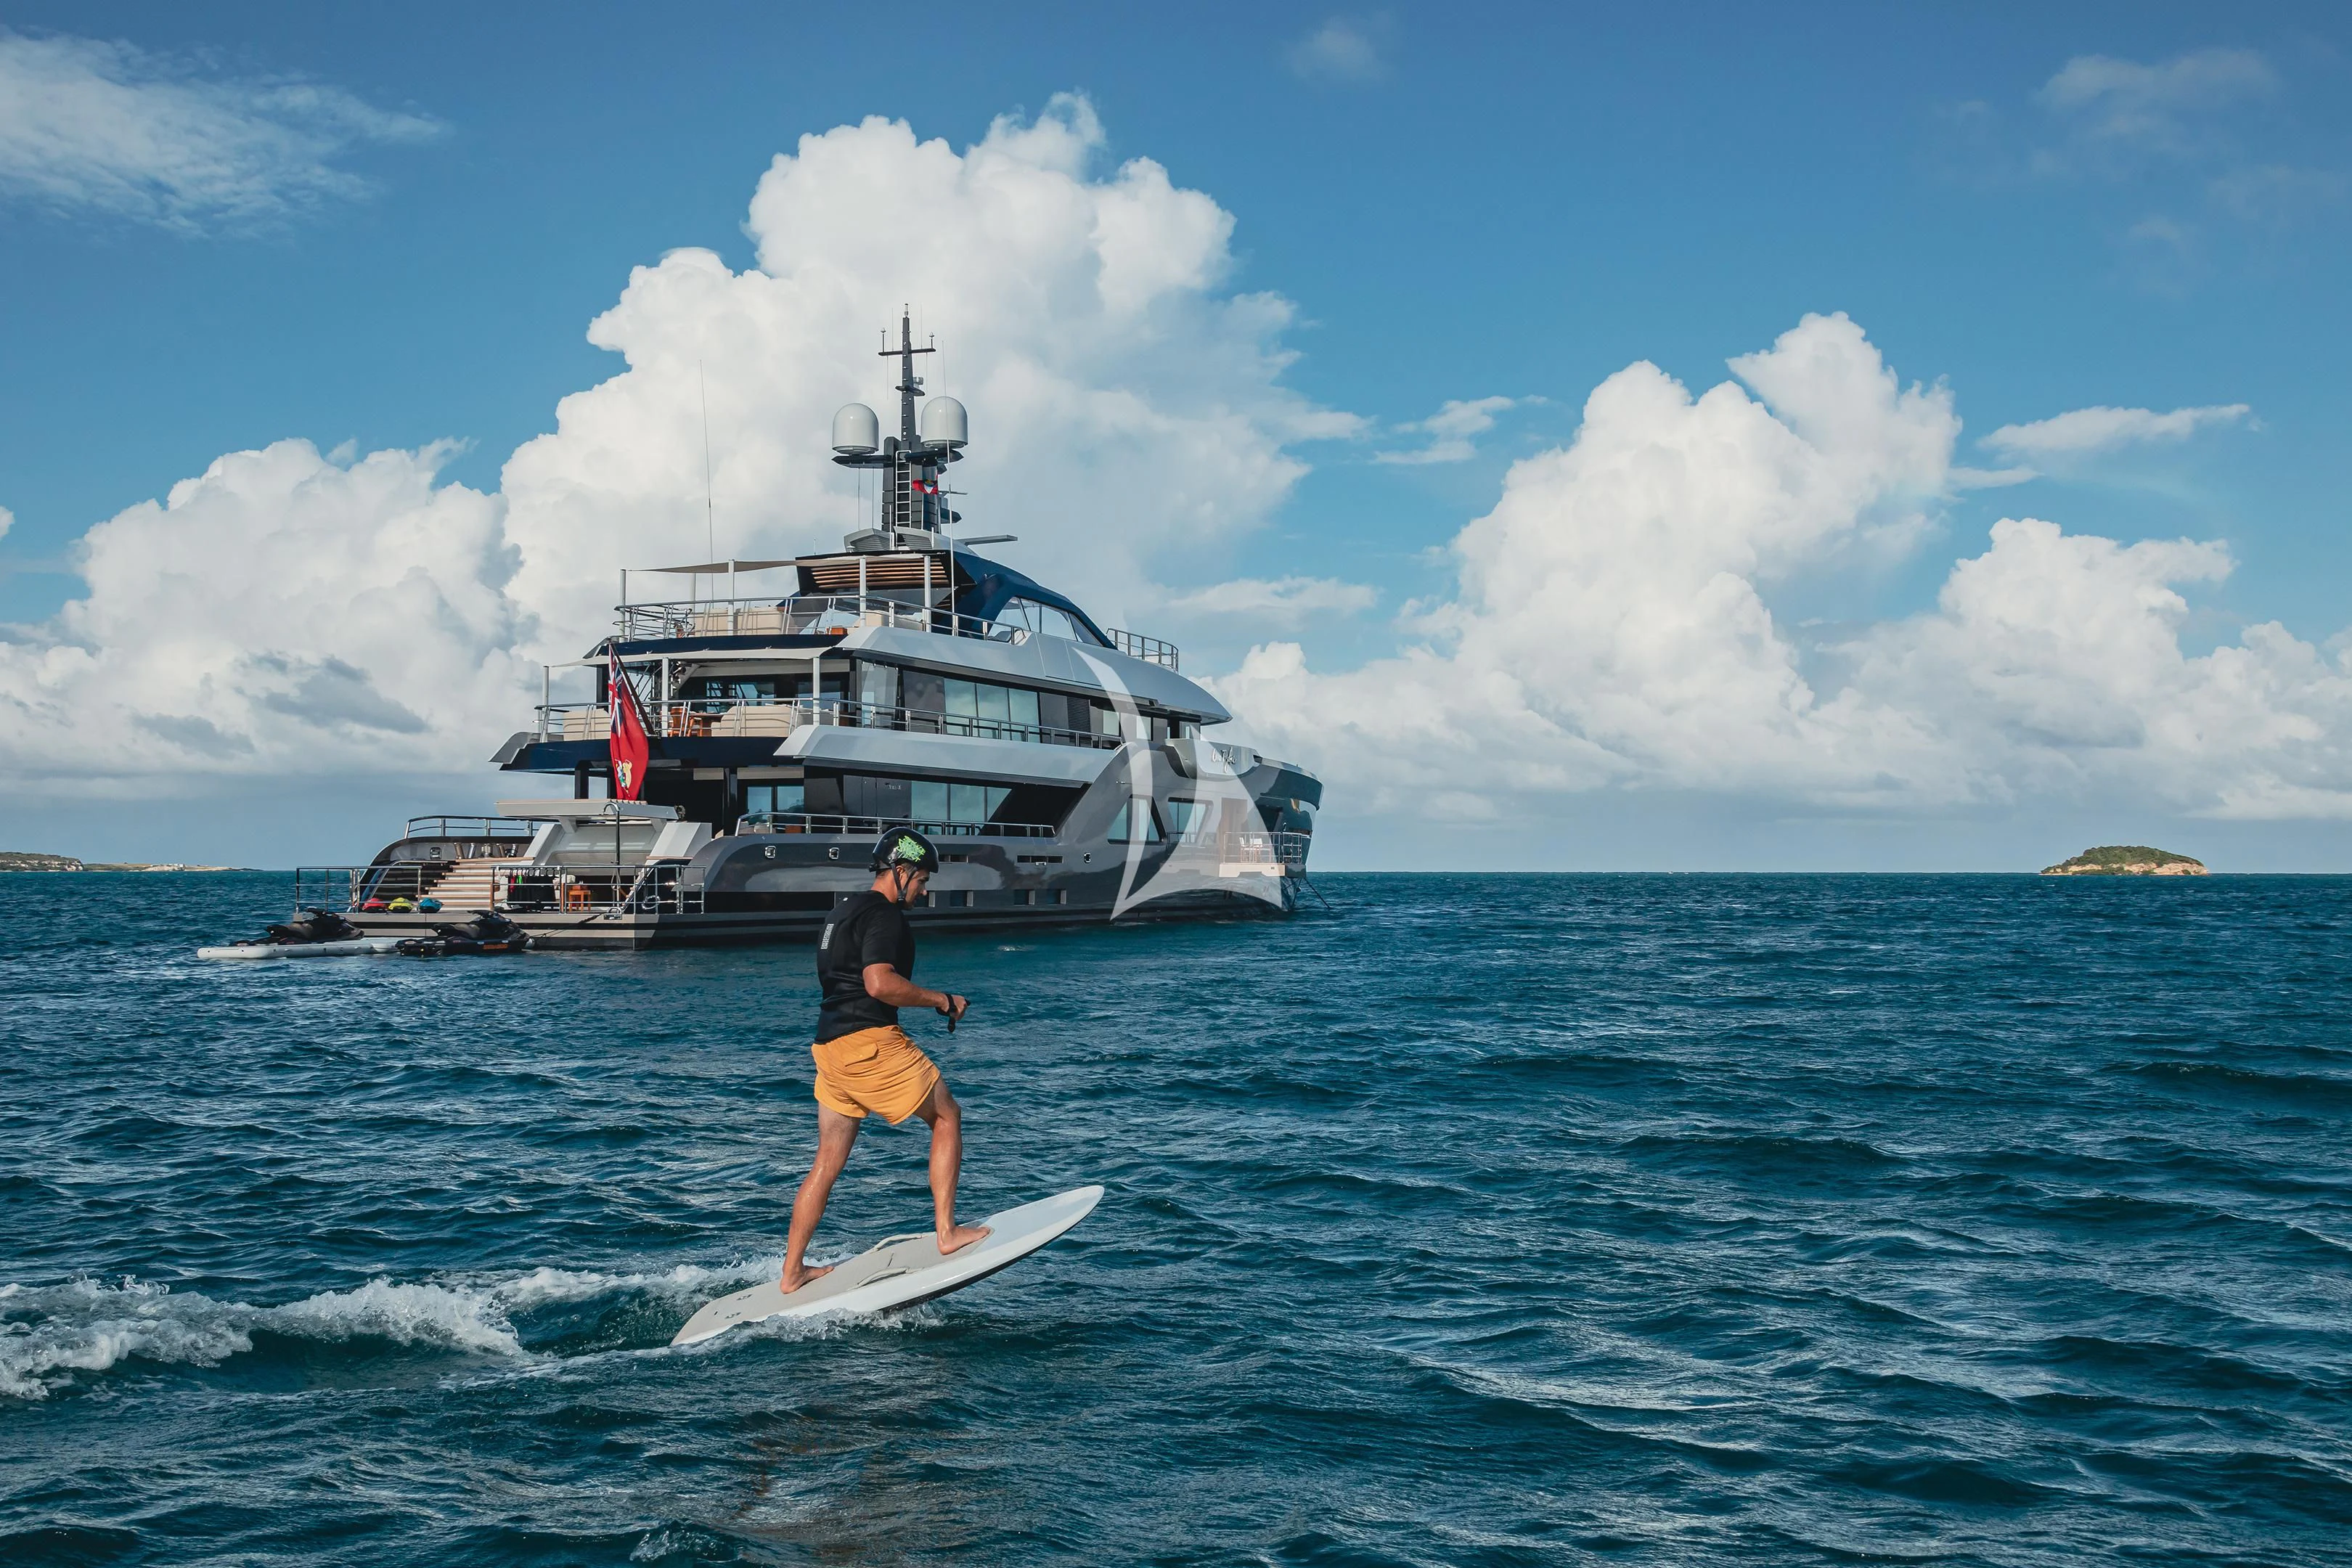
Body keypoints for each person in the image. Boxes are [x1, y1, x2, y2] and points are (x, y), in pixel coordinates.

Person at [780, 827, 991, 1292]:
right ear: (901, 872)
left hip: (828, 1047)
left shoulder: (843, 912)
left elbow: (839, 981)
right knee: (948, 1117)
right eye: (921, 880)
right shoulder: (885, 917)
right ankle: (948, 1233)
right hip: (869, 1042)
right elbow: (878, 983)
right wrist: (941, 1000)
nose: (924, 888)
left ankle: (792, 1272)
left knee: (827, 1161)